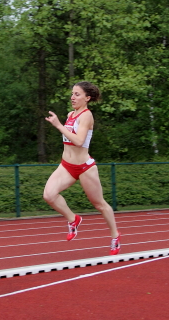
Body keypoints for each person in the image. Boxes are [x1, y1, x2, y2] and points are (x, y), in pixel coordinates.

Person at [43, 81, 121, 255]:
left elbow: (78, 141)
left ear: (87, 98)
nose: (72, 97)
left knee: (99, 204)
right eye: (72, 94)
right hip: (66, 166)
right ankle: (73, 219)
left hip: (85, 167)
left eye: (77, 94)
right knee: (48, 195)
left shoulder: (86, 116)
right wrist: (61, 126)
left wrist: (58, 126)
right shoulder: (71, 114)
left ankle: (115, 235)